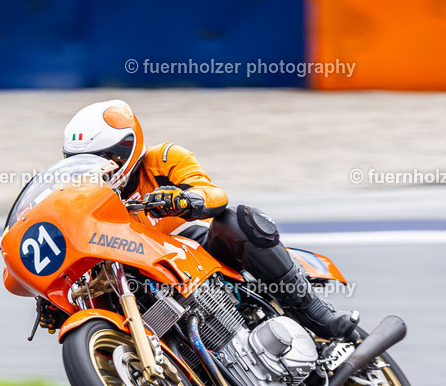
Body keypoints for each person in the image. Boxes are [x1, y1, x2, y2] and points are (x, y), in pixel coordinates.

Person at [58, 99, 360, 342]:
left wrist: (184, 200)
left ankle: (317, 313)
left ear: (128, 147)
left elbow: (213, 194)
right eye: (86, 162)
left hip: (193, 251)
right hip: (137, 275)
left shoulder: (163, 159)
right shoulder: (85, 201)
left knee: (239, 220)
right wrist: (57, 298)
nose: (103, 169)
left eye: (107, 158)